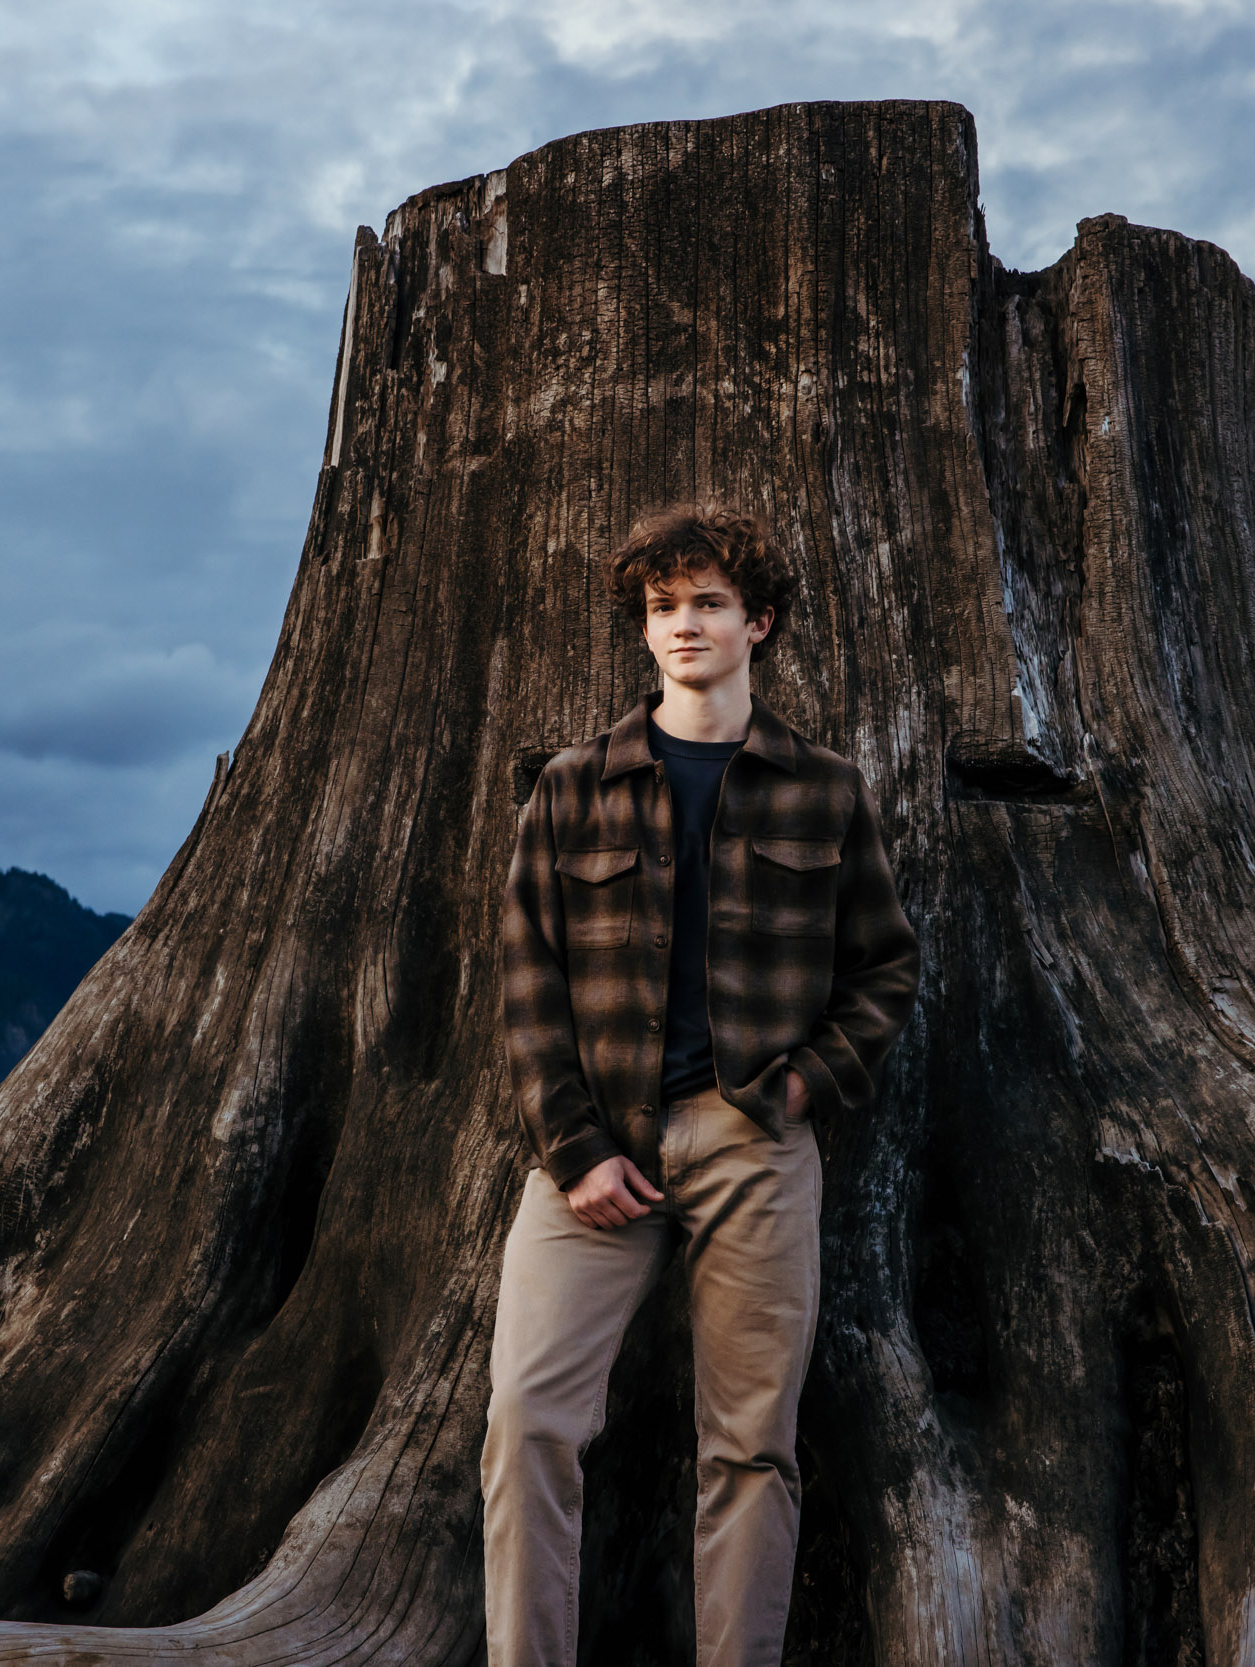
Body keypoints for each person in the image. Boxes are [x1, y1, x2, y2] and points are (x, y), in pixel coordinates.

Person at [483, 504, 922, 1665]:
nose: (683, 625)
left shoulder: (820, 789)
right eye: (663, 607)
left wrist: (797, 1090)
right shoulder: (573, 788)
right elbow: (526, 981)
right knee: (527, 1420)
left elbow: (884, 963)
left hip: (754, 1143)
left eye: (709, 604)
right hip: (591, 1155)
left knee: (749, 1446)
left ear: (757, 623)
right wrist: (573, 1149)